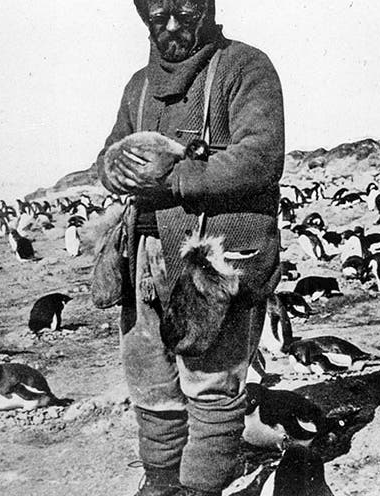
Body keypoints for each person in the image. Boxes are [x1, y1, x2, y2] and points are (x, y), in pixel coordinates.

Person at [96, 1, 284, 495]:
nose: (173, 26)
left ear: (208, 7)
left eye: (185, 12)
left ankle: (200, 490)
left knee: (212, 385)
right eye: (159, 17)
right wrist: (110, 169)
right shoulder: (138, 86)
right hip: (146, 255)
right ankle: (161, 484)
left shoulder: (245, 67)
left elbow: (260, 157)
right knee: (153, 387)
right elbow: (111, 149)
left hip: (216, 257)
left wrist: (174, 180)